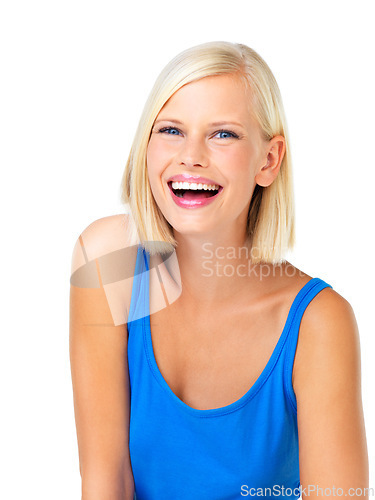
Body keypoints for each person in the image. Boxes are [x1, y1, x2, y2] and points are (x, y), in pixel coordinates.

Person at [69, 41, 369, 500]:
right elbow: (107, 481)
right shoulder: (110, 266)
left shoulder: (317, 323)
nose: (191, 156)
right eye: (171, 130)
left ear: (268, 161)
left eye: (222, 134)